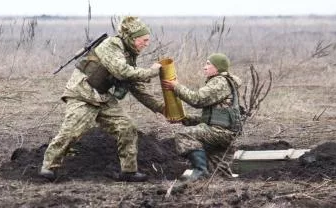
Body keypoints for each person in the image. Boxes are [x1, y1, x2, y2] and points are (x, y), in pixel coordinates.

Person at [39, 16, 164, 182]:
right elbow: (122, 72)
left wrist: (162, 108)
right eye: (144, 40)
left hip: (102, 97)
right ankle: (48, 167)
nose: (146, 44)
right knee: (71, 132)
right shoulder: (111, 45)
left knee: (127, 127)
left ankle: (128, 171)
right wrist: (152, 71)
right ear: (132, 38)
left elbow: (137, 88)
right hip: (82, 94)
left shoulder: (129, 55)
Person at [161, 53, 243, 182]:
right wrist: (184, 118)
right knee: (218, 177)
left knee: (184, 135)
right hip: (223, 133)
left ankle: (200, 170)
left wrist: (176, 87)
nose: (205, 67)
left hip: (219, 132)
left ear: (218, 68)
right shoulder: (224, 83)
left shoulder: (219, 81)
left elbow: (197, 100)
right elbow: (213, 118)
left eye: (208, 64)